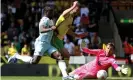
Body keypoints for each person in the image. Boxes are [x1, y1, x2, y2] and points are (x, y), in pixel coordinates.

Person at [8, 6, 73, 80]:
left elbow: (54, 30)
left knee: (59, 56)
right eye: (51, 12)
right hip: (41, 44)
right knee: (34, 61)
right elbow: (41, 29)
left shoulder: (50, 21)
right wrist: (51, 28)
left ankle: (65, 76)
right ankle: (17, 56)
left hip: (48, 44)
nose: (53, 14)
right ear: (47, 12)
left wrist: (56, 30)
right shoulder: (44, 20)